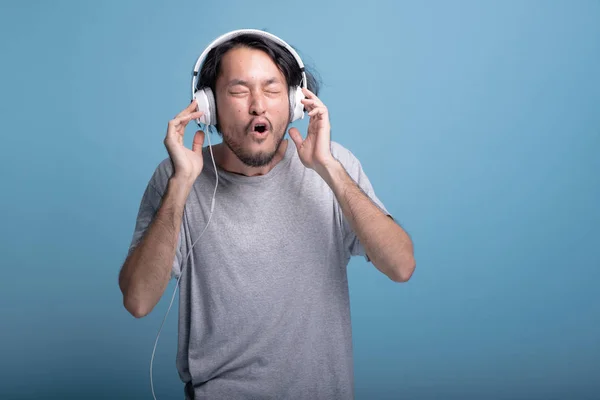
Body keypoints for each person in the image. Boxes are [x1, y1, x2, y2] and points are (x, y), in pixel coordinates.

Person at [118, 29, 415, 400]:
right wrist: (181, 186)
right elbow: (138, 301)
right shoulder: (178, 177)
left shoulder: (335, 168)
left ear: (294, 102)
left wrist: (329, 169)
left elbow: (401, 266)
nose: (257, 105)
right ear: (207, 106)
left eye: (272, 90)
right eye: (239, 91)